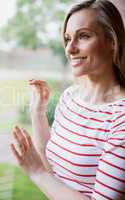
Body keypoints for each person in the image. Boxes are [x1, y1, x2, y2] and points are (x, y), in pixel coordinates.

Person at [11, 0, 125, 199]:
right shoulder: (70, 96)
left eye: (83, 36)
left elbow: (43, 173)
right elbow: (53, 173)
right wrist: (38, 113)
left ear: (112, 42)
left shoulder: (121, 119)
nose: (70, 49)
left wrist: (36, 172)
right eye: (67, 38)